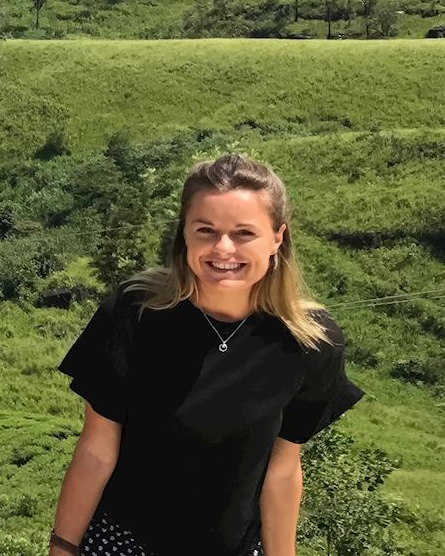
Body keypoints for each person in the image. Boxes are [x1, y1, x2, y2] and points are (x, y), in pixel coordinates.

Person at [48, 154, 365, 556]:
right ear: (185, 234)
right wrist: (63, 547)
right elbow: (97, 445)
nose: (223, 248)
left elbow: (282, 469)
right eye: (206, 230)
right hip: (125, 542)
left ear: (277, 238)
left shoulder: (310, 342)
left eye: (244, 233)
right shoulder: (136, 312)